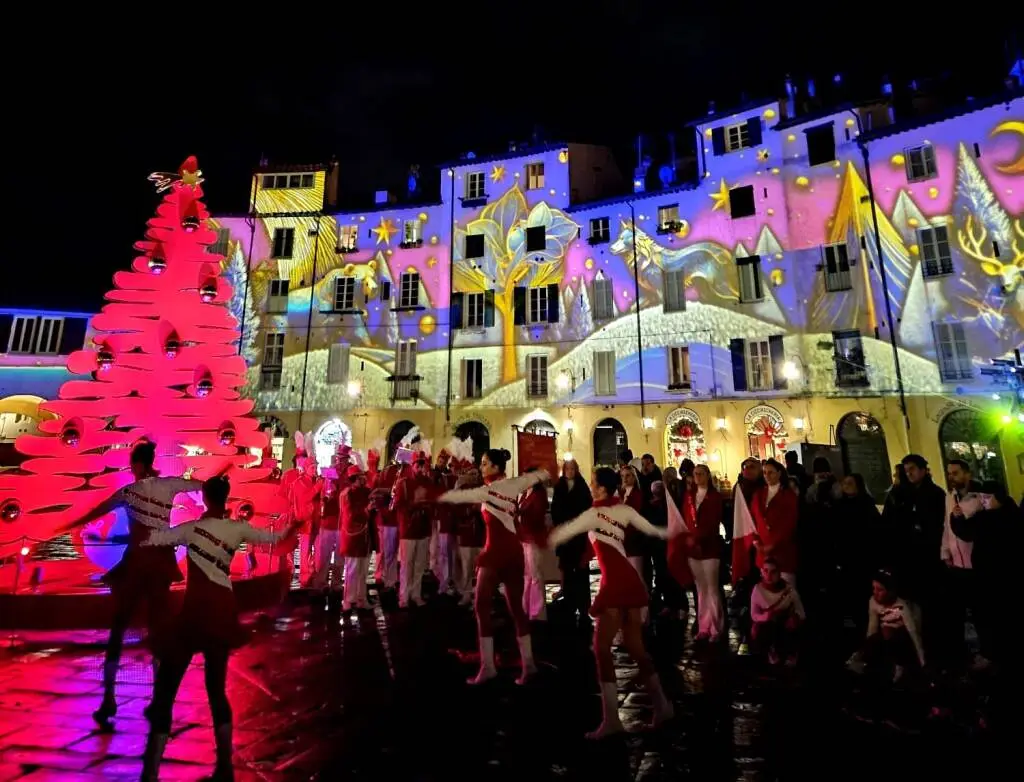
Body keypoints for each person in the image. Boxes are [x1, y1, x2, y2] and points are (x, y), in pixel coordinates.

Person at [140, 475, 300, 781]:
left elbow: (157, 539)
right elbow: (274, 540)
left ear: (204, 497)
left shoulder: (192, 529)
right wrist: (292, 529)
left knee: (167, 691)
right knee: (216, 689)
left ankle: (150, 773)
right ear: (226, 498)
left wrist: (145, 528)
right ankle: (224, 764)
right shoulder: (235, 528)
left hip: (194, 614)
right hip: (222, 612)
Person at [78, 441, 203, 729]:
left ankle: (109, 699)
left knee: (118, 630)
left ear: (137, 464)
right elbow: (201, 486)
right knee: (159, 632)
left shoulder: (129, 491)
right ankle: (160, 701)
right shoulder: (169, 485)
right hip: (159, 565)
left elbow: (98, 510)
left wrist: (69, 523)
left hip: (135, 566)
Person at [548, 467, 676, 738]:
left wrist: (541, 539)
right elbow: (654, 530)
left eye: (594, 483)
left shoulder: (593, 514)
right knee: (635, 647)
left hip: (616, 582)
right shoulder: (624, 510)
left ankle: (611, 719)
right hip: (628, 578)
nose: (591, 486)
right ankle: (662, 705)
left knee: (601, 647)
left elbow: (563, 533)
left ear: (603, 488)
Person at [439, 450, 547, 685]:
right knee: (516, 609)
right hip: (513, 552)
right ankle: (528, 665)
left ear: (497, 468)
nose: (481, 466)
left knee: (481, 606)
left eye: (485, 463)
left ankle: (488, 667)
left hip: (495, 553)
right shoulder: (506, 487)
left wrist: (456, 484)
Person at [950, 480, 1018, 670]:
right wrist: (957, 518)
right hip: (984, 575)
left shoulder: (1012, 516)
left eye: (988, 497)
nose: (985, 501)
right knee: (987, 617)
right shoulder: (983, 516)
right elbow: (967, 533)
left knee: (1005, 616)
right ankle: (992, 653)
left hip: (1006, 577)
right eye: (982, 497)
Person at [847, 570, 924, 684]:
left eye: (880, 590)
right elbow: (872, 627)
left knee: (894, 634)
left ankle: (901, 668)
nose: (875, 593)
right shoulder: (873, 602)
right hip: (884, 636)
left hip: (902, 638)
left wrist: (922, 661)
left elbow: (913, 632)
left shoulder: (901, 605)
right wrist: (868, 645)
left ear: (890, 591)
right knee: (876, 637)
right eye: (874, 588)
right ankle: (861, 663)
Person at [392, 455, 440, 608]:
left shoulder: (428, 482)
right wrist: (415, 505)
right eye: (417, 465)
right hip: (408, 529)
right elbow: (398, 505)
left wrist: (428, 505)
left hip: (423, 529)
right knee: (407, 564)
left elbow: (433, 501)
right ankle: (404, 596)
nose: (420, 468)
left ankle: (416, 594)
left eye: (422, 465)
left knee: (420, 565)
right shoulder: (403, 483)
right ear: (412, 465)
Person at [550, 458, 593, 625]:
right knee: (567, 570)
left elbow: (587, 506)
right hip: (566, 535)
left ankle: (583, 607)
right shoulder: (560, 486)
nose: (570, 471)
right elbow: (556, 509)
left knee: (582, 572)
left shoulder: (582, 486)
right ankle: (568, 604)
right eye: (567, 469)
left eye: (572, 468)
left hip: (579, 536)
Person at [685, 464, 724, 641]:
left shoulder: (714, 497)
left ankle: (716, 626)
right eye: (696, 474)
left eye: (701, 474)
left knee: (712, 588)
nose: (698, 477)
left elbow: (712, 521)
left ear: (708, 476)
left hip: (709, 547)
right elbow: (686, 519)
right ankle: (703, 626)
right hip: (694, 549)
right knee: (700, 589)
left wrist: (701, 538)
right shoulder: (689, 497)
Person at [750, 557, 805, 665]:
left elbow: (801, 612)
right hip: (769, 626)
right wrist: (766, 616)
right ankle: (771, 651)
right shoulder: (757, 590)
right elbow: (754, 614)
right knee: (763, 629)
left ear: (779, 573)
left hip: (785, 626)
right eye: (766, 571)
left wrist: (795, 618)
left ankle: (791, 653)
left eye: (773, 571)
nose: (769, 575)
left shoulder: (789, 590)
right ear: (762, 572)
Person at [752, 459, 799, 584]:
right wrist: (757, 542)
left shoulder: (788, 496)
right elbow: (753, 520)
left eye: (771, 472)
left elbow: (789, 523)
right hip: (763, 552)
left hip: (782, 551)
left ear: (779, 473)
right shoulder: (758, 495)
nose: (767, 475)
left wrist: (773, 545)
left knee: (785, 591)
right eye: (765, 472)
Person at [518, 468, 550, 621]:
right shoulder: (525, 493)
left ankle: (537, 612)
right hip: (524, 537)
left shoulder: (539, 494)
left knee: (535, 574)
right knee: (527, 574)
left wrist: (521, 515)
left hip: (534, 538)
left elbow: (537, 516)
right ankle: (526, 607)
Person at [340, 465, 373, 610]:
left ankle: (361, 598)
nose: (363, 479)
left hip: (366, 537)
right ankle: (348, 600)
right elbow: (350, 515)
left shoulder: (367, 492)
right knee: (352, 569)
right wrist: (367, 510)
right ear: (354, 479)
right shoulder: (347, 494)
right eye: (360, 477)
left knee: (363, 570)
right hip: (353, 536)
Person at [453, 468, 486, 606]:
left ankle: (479, 596)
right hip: (466, 533)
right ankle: (466, 594)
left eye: (477, 474)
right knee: (466, 567)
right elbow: (456, 509)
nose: (475, 476)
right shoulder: (462, 490)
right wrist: (471, 509)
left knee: (480, 569)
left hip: (480, 534)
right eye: (472, 474)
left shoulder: (484, 489)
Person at [370, 460, 404, 592]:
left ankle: (388, 578)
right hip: (385, 518)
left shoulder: (404, 472)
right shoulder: (388, 472)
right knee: (384, 550)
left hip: (394, 519)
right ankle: (382, 577)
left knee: (390, 551)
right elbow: (377, 492)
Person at [310, 476, 343, 594]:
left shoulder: (346, 479)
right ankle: (321, 583)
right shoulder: (326, 480)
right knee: (324, 556)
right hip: (328, 524)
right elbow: (316, 498)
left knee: (339, 557)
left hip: (340, 524)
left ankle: (336, 583)